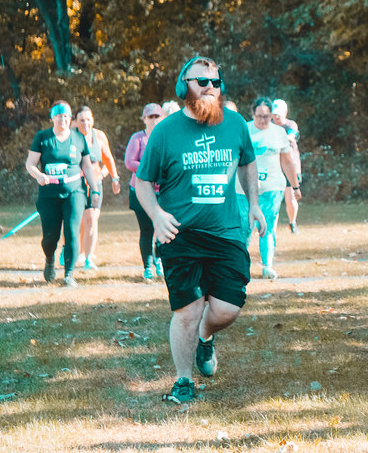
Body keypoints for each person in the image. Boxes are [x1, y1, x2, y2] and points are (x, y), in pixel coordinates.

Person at [134, 56, 265, 403]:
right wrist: (157, 216)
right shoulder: (165, 131)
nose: (210, 88)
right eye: (202, 82)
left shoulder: (236, 124)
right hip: (180, 234)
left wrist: (253, 204)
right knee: (188, 310)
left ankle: (205, 339)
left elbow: (248, 163)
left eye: (216, 82)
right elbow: (143, 181)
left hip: (226, 231)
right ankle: (183, 380)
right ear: (184, 86)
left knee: (226, 309)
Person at [25, 101, 102, 287]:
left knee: (72, 232)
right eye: (59, 116)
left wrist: (95, 189)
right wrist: (39, 175)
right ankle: (50, 259)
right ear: (52, 117)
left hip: (75, 192)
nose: (63, 119)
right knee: (50, 237)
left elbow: (86, 166)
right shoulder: (42, 137)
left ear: (71, 118)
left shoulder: (78, 138)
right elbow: (30, 164)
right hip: (49, 194)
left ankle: (69, 274)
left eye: (67, 116)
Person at [236, 97, 300, 279]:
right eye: (259, 116)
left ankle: (267, 265)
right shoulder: (244, 130)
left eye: (266, 116)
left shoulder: (279, 133)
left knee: (268, 226)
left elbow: (287, 163)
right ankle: (240, 266)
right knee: (244, 227)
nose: (263, 120)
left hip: (272, 187)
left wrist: (295, 186)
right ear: (252, 114)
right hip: (243, 188)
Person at [73, 106, 122, 270]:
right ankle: (76, 252)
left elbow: (108, 159)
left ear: (92, 119)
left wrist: (113, 177)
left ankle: (88, 259)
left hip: (96, 186)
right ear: (76, 121)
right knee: (79, 222)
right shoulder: (72, 137)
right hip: (77, 186)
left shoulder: (99, 136)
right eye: (82, 120)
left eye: (88, 119)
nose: (85, 123)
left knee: (92, 220)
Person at [125, 103, 165, 280]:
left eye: (157, 116)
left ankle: (161, 261)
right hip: (141, 191)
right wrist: (150, 169)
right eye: (151, 117)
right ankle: (147, 266)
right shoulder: (138, 138)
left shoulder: (166, 137)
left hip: (163, 191)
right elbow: (129, 162)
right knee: (146, 230)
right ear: (144, 119)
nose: (154, 120)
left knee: (163, 228)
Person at [271, 99, 302, 234]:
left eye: (279, 114)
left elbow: (291, 137)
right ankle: (271, 227)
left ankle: (292, 223)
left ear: (285, 112)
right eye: (274, 114)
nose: (276, 117)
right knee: (273, 199)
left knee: (290, 198)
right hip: (275, 166)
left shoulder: (291, 125)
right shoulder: (269, 126)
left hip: (291, 166)